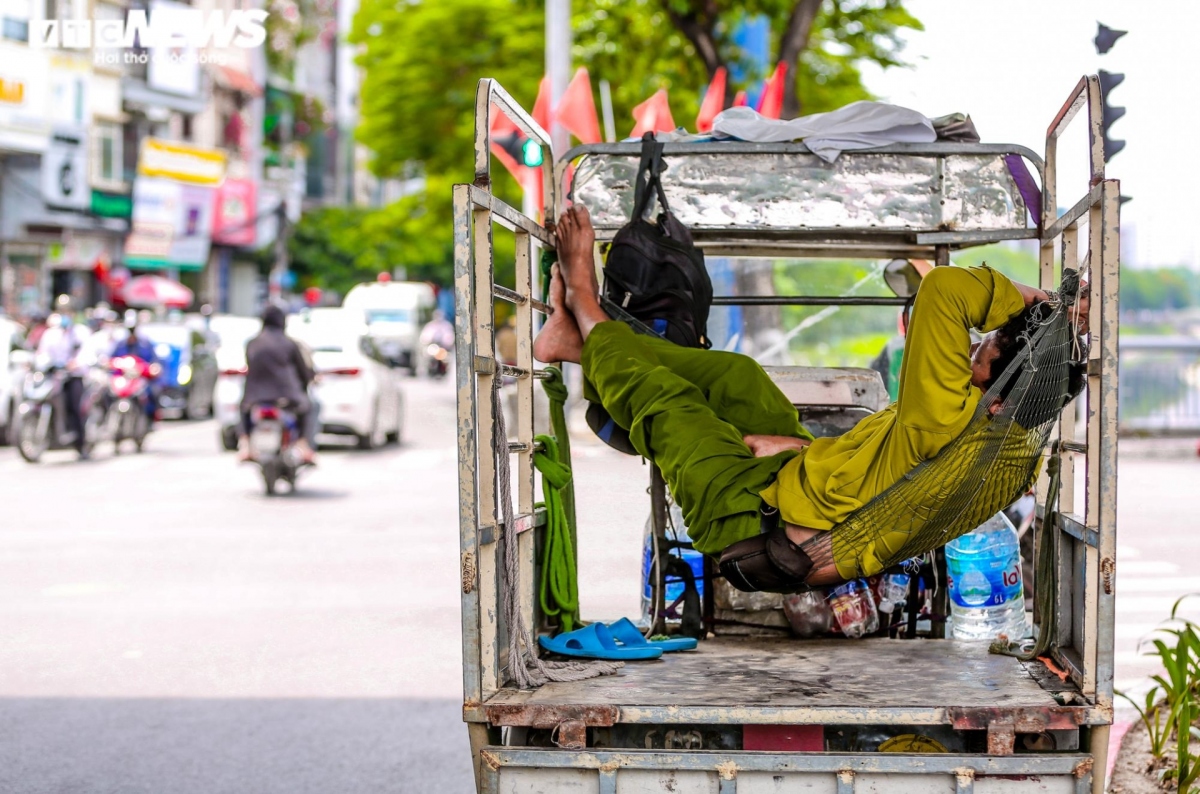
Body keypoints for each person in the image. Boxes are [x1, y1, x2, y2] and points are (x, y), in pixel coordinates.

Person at [532, 205, 1087, 588]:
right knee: (738, 379)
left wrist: (1039, 302)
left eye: (982, 355)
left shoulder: (950, 417)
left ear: (1000, 395)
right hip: (799, 494)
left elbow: (943, 291)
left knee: (666, 401)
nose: (969, 355)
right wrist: (795, 452)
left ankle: (583, 302)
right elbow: (884, 485)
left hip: (749, 525)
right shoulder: (991, 449)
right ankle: (580, 347)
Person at [238, 305, 315, 463]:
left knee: (242, 410)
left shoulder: (252, 343)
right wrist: (308, 381)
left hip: (254, 397)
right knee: (310, 408)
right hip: (286, 396)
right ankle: (303, 445)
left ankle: (245, 444)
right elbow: (303, 370)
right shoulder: (289, 344)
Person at [35, 305, 93, 458]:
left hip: (73, 376)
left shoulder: (80, 332)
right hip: (54, 376)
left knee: (74, 407)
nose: (65, 314)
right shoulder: (50, 334)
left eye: (68, 311)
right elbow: (42, 353)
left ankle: (80, 445)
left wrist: (75, 364)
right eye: (62, 311)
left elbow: (87, 354)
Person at [110, 324, 161, 421]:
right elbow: (111, 359)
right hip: (123, 377)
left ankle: (150, 418)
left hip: (140, 376)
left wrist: (153, 368)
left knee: (151, 392)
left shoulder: (145, 344)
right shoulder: (120, 344)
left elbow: (154, 361)